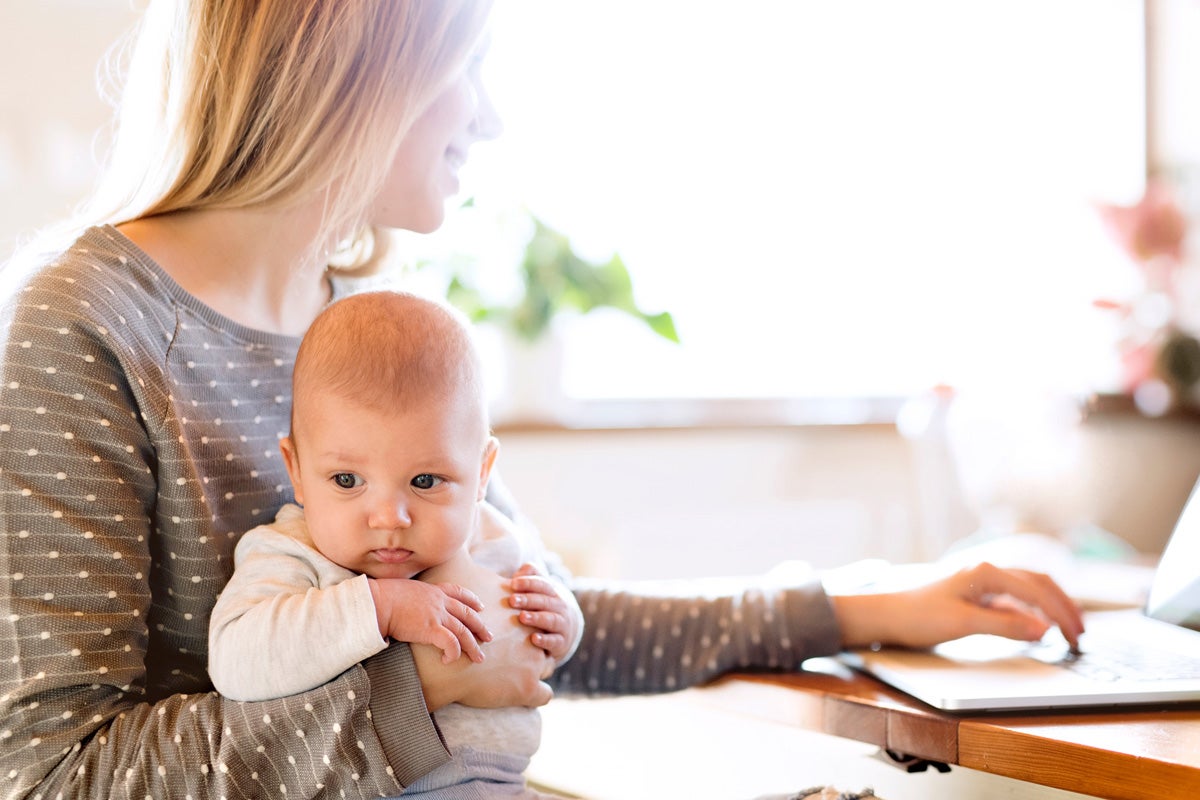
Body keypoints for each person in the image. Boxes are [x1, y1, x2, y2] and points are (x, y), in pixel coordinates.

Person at [0, 1, 1085, 798]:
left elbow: (545, 617)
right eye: (470, 65)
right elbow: (52, 774)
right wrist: (422, 682)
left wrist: (862, 607)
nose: (494, 119)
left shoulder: (358, 324)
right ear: (357, 60)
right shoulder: (90, 327)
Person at [208, 289, 583, 798]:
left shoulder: (490, 535)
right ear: (296, 471)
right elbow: (235, 661)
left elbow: (538, 639)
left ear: (481, 473)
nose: (390, 517)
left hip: (504, 783)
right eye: (346, 480)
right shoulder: (294, 552)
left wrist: (562, 620)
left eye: (426, 481)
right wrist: (377, 608)